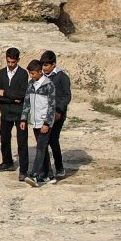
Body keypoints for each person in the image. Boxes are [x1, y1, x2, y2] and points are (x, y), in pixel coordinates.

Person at [20, 59, 56, 187]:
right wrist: (24, 118)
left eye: (33, 73)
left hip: (44, 122)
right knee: (43, 148)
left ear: (40, 72)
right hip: (35, 122)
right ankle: (48, 175)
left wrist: (47, 123)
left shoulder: (49, 85)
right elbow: (27, 102)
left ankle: (35, 175)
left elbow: (52, 107)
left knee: (40, 148)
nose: (31, 76)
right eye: (30, 73)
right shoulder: (31, 84)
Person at [0, 47, 28, 173]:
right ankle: (7, 161)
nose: (10, 64)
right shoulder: (1, 73)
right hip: (6, 112)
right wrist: (13, 99)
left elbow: (23, 94)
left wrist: (6, 94)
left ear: (17, 60)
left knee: (22, 141)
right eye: (8, 62)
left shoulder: (23, 74)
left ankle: (24, 169)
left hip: (19, 113)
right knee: (5, 138)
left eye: (13, 62)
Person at [41, 51, 72, 179]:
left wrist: (59, 110)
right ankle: (46, 169)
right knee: (44, 141)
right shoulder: (41, 77)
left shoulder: (62, 77)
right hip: (44, 113)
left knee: (53, 140)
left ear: (53, 64)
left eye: (46, 65)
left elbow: (67, 96)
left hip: (57, 114)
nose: (44, 68)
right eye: (43, 65)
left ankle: (59, 167)